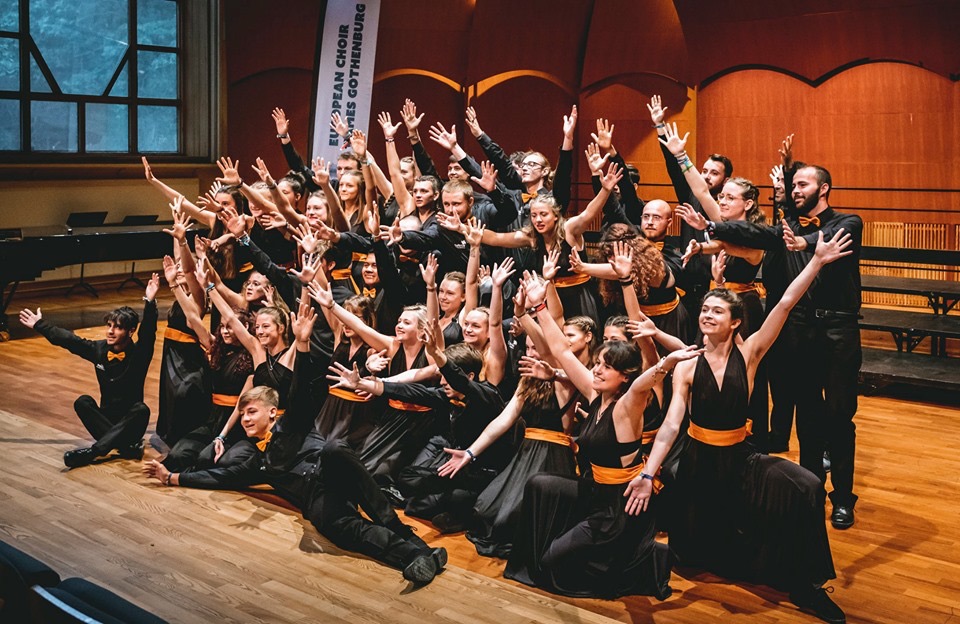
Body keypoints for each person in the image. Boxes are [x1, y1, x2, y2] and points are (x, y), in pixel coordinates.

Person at [629, 229, 853, 624]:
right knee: (689, 554)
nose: (706, 315)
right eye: (704, 309)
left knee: (808, 486)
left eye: (717, 311)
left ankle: (809, 585)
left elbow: (785, 303)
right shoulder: (687, 365)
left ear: (735, 323)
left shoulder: (750, 353)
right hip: (699, 462)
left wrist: (817, 261)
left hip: (740, 458)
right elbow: (670, 425)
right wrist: (648, 473)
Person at [144, 302, 448, 585]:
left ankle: (401, 531)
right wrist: (172, 478)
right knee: (339, 527)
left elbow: (300, 393)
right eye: (243, 414)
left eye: (252, 413)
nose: (245, 419)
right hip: (317, 498)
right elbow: (219, 476)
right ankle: (415, 556)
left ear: (272, 413)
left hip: (334, 470)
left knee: (334, 448)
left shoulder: (293, 424)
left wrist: (302, 345)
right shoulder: (258, 463)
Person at [503, 271, 700, 599]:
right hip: (593, 492)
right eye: (597, 363)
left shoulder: (628, 406)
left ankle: (647, 559)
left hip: (617, 510)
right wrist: (538, 307)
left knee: (551, 562)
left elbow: (642, 384)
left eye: (606, 367)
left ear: (623, 376)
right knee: (539, 483)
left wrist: (666, 363)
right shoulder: (595, 394)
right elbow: (562, 351)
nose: (596, 369)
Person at [705, 149, 863, 529]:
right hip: (802, 330)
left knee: (839, 417)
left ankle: (842, 498)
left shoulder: (848, 220)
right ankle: (810, 492)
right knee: (807, 415)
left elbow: (828, 238)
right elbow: (757, 233)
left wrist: (804, 245)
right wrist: (712, 225)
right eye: (792, 186)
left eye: (802, 184)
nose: (795, 190)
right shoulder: (788, 228)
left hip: (839, 330)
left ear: (823, 189)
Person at [19, 275, 160, 468]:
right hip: (105, 423)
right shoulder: (99, 350)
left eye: (118, 327)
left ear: (131, 331)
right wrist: (39, 324)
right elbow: (70, 341)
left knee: (141, 410)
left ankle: (94, 452)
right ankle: (125, 447)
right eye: (109, 325)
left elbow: (149, 332)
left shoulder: (139, 354)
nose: (110, 331)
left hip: (130, 426)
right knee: (82, 402)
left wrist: (150, 301)